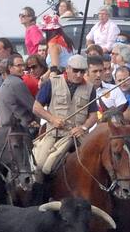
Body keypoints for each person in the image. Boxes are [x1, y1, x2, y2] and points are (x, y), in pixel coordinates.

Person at [30, 55, 94, 183]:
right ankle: (40, 196)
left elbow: (93, 115)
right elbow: (36, 108)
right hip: (54, 134)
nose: (79, 74)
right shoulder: (51, 83)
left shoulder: (90, 88)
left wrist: (83, 127)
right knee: (41, 166)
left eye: (82, 71)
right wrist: (52, 119)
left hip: (78, 135)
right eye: (76, 70)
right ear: (68, 69)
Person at [0, 56, 38, 134]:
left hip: (8, 130)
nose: (22, 68)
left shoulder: (7, 82)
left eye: (23, 65)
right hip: (18, 131)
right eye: (19, 65)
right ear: (10, 68)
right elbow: (34, 107)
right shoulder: (17, 83)